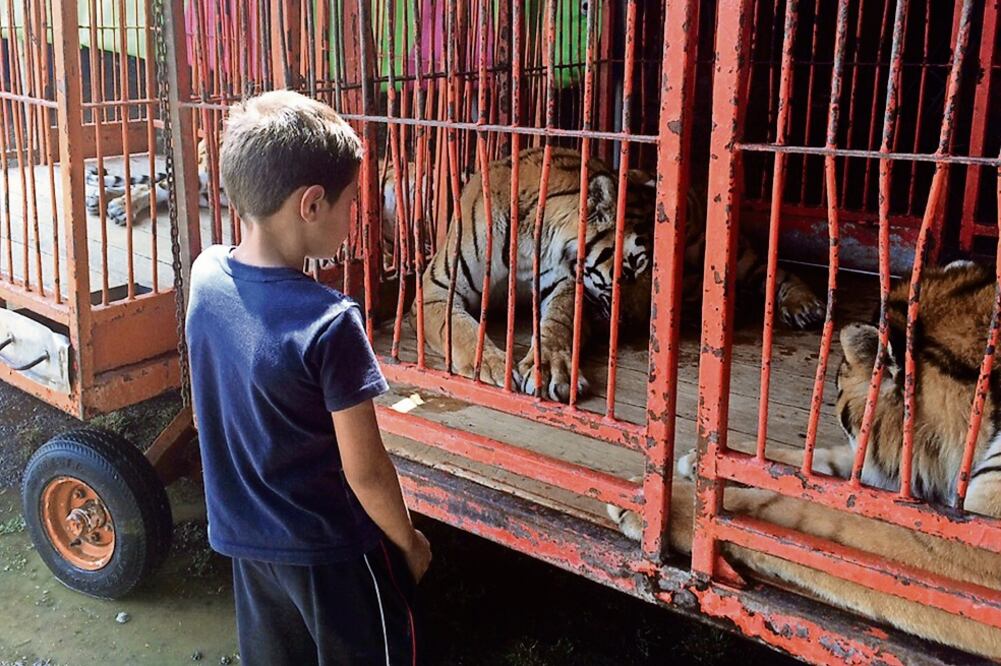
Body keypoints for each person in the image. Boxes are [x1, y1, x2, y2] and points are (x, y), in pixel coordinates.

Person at [185, 89, 430, 666]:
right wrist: (409, 542)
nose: (355, 217)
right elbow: (366, 471)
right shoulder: (330, 322)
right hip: (335, 552)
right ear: (312, 204)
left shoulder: (206, 274)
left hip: (250, 544)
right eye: (351, 203)